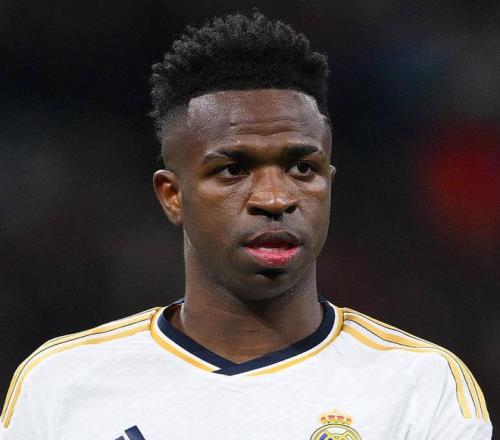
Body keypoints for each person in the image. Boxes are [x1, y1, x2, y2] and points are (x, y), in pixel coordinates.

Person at [0, 11, 492, 440]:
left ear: (329, 183)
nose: (275, 199)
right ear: (172, 196)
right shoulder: (62, 384)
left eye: (302, 168)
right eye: (233, 170)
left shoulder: (420, 386)